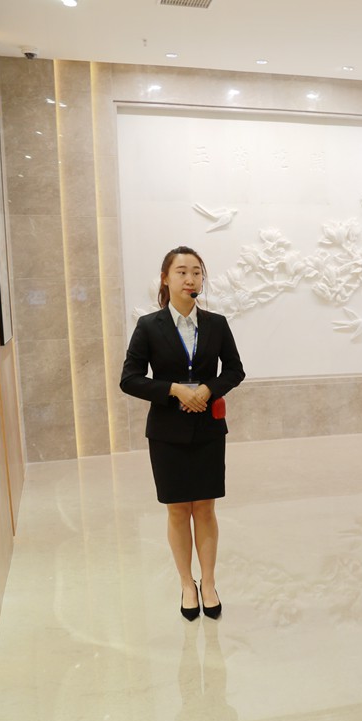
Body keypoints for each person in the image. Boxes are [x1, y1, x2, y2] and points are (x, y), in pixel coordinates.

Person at [120, 246, 245, 621]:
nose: (190, 279)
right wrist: (174, 390)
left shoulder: (216, 324)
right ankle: (186, 584)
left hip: (208, 428)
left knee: (205, 507)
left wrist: (207, 389)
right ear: (165, 278)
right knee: (177, 509)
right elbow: (129, 379)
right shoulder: (148, 326)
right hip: (166, 432)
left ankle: (209, 583)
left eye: (196, 272)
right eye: (181, 272)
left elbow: (234, 370)